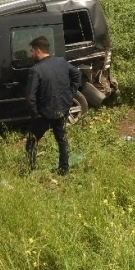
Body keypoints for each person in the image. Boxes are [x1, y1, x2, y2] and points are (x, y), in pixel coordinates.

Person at [25, 36, 81, 175]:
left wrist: (35, 113)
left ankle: (30, 170)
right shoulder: (61, 61)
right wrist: (71, 93)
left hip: (45, 113)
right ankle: (64, 169)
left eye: (32, 51)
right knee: (62, 140)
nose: (31, 54)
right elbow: (77, 74)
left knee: (31, 141)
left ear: (38, 50)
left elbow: (30, 96)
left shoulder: (36, 70)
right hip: (63, 108)